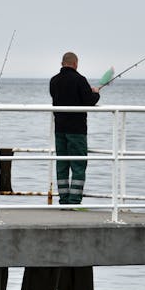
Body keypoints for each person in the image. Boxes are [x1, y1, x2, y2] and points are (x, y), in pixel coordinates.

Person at [49, 51, 101, 205]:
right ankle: (75, 201)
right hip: (77, 130)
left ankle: (63, 199)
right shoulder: (80, 79)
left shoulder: (54, 81)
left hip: (59, 128)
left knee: (62, 164)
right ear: (75, 64)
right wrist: (96, 93)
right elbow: (89, 101)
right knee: (78, 165)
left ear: (62, 63)